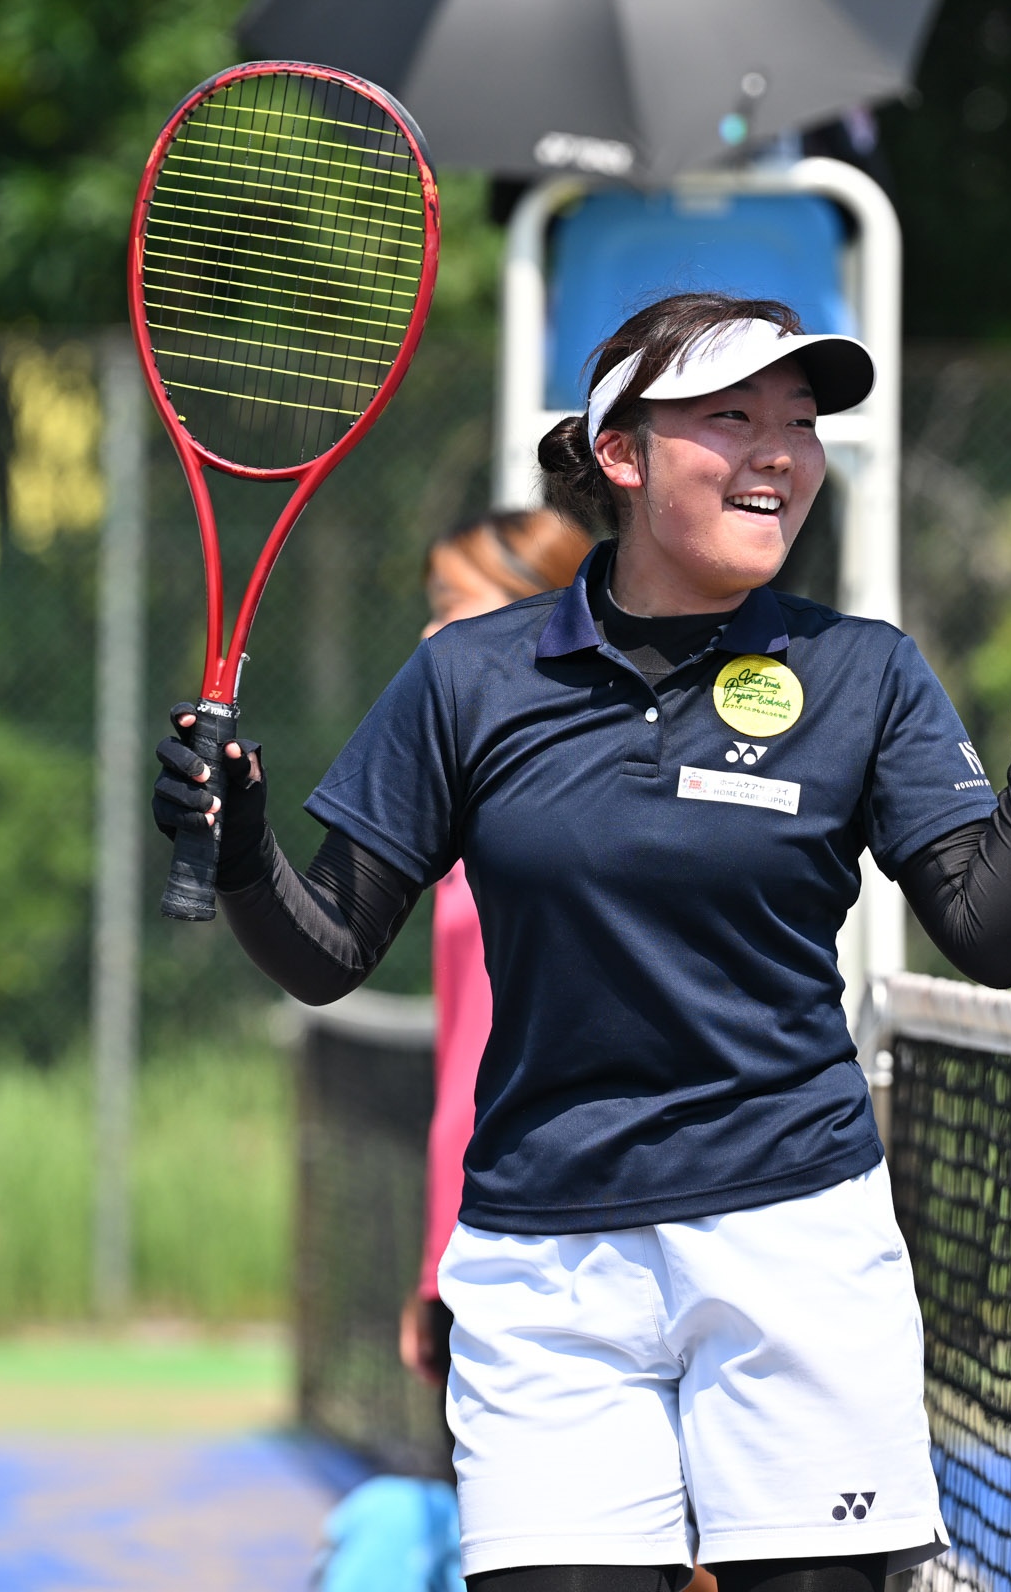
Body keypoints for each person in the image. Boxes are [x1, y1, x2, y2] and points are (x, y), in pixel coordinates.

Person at [153, 291, 1011, 1592]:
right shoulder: (469, 678)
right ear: (621, 452)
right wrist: (238, 852)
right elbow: (328, 951)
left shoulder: (866, 673)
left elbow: (989, 934)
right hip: (545, 1269)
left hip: (795, 1241)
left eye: (800, 421)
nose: (779, 452)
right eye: (733, 417)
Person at [402, 507, 598, 1388]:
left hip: (554, 1254)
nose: (428, 632)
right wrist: (435, 1266)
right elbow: (464, 1081)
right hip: (484, 1245)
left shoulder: (558, 830)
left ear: (535, 608)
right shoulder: (467, 808)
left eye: (451, 604)